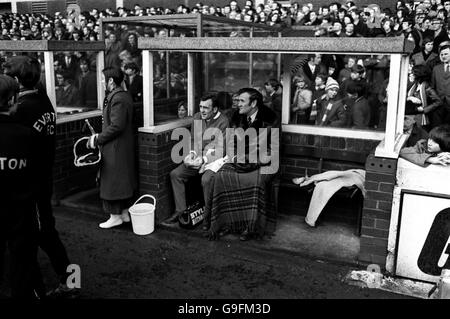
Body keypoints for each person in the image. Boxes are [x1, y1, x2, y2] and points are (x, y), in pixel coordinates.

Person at [3, 56, 75, 298]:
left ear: (15, 82)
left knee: (36, 237)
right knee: (43, 234)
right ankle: (67, 281)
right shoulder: (42, 100)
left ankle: (62, 284)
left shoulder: (22, 109)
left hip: (29, 186)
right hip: (42, 179)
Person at [207, 87, 279, 241]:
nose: (237, 104)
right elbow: (231, 143)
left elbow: (272, 150)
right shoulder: (235, 116)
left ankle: (250, 227)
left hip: (263, 162)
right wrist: (234, 158)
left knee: (255, 181)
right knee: (221, 176)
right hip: (239, 159)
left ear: (253, 103)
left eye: (241, 101)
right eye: (237, 100)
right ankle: (226, 223)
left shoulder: (271, 119)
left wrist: (253, 161)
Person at [0, 75, 38, 299]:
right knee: (21, 268)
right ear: (12, 100)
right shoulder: (28, 135)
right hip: (21, 213)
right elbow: (37, 175)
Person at [167, 93, 229, 228]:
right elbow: (195, 140)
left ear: (215, 109)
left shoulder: (223, 121)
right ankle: (181, 212)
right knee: (176, 174)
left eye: (206, 108)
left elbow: (221, 149)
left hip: (214, 161)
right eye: (200, 107)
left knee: (206, 180)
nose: (202, 111)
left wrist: (204, 159)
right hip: (199, 159)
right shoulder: (197, 117)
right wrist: (193, 154)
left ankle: (210, 217)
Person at [87, 67, 137, 229]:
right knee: (122, 182)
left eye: (103, 79)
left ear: (111, 81)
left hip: (116, 148)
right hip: (119, 146)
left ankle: (115, 216)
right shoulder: (121, 96)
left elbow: (117, 126)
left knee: (113, 182)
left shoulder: (118, 98)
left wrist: (97, 139)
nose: (102, 82)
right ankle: (124, 213)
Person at [407, 64, 442, 130]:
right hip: (411, 116)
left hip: (421, 118)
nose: (411, 75)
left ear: (419, 75)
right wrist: (410, 98)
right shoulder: (413, 85)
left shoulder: (427, 87)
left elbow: (438, 102)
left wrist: (424, 109)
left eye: (413, 73)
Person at [431, 42, 450, 124]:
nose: (443, 56)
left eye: (446, 54)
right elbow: (432, 86)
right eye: (442, 54)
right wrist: (436, 99)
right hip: (438, 105)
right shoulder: (436, 69)